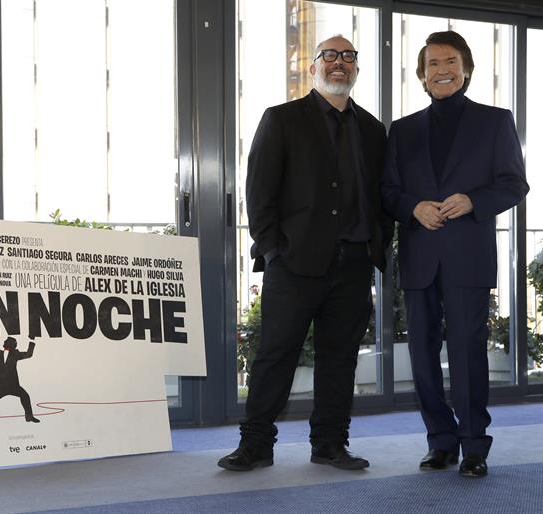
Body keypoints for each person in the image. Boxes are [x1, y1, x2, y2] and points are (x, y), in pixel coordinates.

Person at [218, 35, 391, 472]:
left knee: (340, 360)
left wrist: (375, 248)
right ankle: (256, 444)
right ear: (314, 68)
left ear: (356, 68)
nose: (339, 63)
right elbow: (259, 194)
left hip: (353, 265)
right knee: (275, 356)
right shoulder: (282, 119)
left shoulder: (373, 130)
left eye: (348, 56)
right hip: (294, 264)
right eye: (329, 56)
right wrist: (274, 250)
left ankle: (330, 444)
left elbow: (380, 197)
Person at [381, 31, 528, 478]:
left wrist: (473, 201)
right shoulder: (402, 130)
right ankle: (440, 441)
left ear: (465, 69)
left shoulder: (496, 121)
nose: (441, 70)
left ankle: (474, 445)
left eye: (450, 62)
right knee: (422, 356)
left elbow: (514, 184)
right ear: (422, 75)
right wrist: (413, 208)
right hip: (419, 255)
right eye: (433, 64)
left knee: (468, 353)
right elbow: (387, 191)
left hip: (468, 255)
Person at [0, 335, 40, 427]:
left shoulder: (16, 354)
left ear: (11, 345)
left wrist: (32, 340)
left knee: (25, 396)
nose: (3, 342)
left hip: (14, 386)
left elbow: (29, 354)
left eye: (6, 341)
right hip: (2, 387)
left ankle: (29, 417)